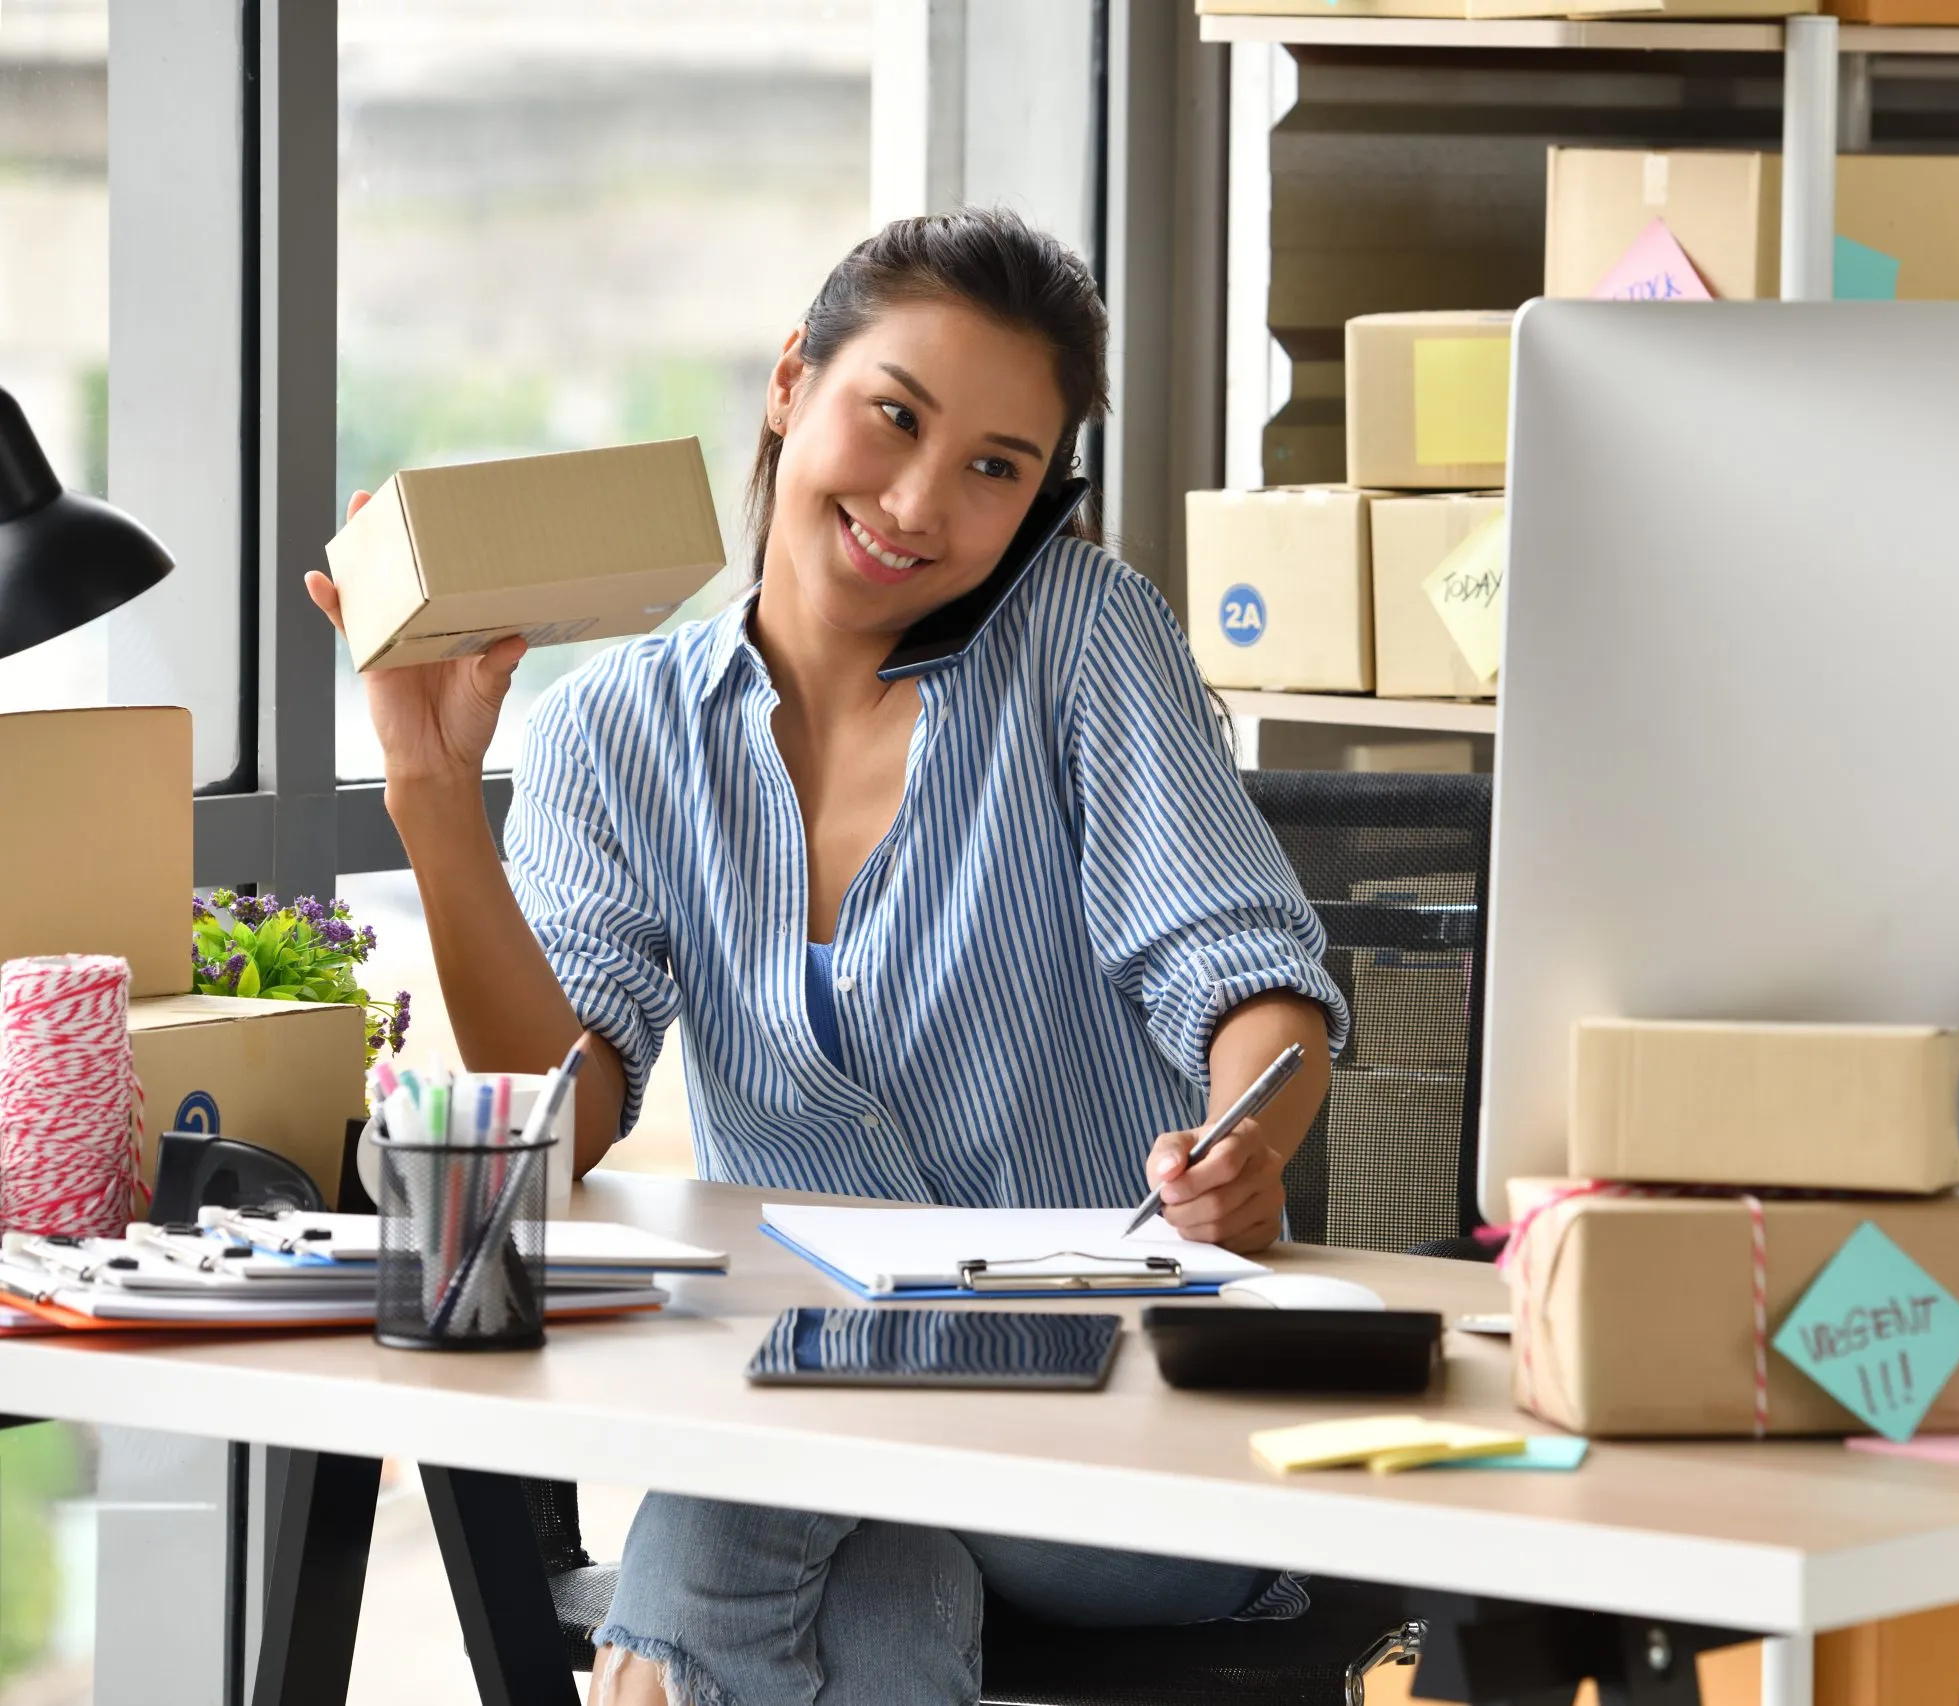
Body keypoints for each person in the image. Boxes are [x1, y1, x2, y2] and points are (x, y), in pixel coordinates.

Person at [307, 207, 1346, 1706]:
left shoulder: (1081, 634)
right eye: (895, 416)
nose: (922, 501)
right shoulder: (621, 730)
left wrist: (1256, 1140)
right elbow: (571, 1115)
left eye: (996, 467)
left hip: (1128, 1445)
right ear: (795, 377)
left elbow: (1245, 974)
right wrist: (432, 803)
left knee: (741, 1464)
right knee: (878, 1589)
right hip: (845, 1456)